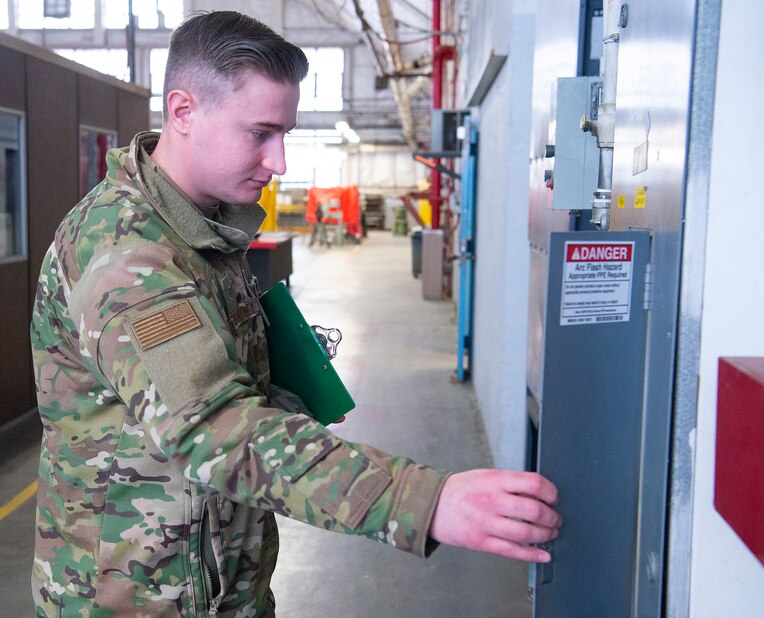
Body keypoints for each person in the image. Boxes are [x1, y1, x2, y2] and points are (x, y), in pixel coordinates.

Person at [30, 11, 562, 617]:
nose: (279, 161)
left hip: (217, 582)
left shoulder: (200, 229)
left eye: (284, 133)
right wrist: (423, 501)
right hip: (139, 600)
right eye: (260, 133)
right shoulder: (127, 255)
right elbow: (215, 430)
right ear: (182, 112)